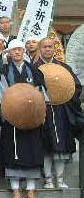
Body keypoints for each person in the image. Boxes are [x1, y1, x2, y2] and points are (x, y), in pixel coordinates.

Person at [1, 40, 45, 198]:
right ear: (9, 53)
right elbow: (1, 93)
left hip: (32, 117)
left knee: (32, 153)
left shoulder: (34, 70)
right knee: (14, 155)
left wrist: (39, 111)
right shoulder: (3, 70)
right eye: (13, 50)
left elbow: (42, 93)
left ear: (24, 51)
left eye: (19, 49)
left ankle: (31, 193)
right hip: (11, 118)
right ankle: (16, 193)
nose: (17, 53)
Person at [35, 38, 82, 189]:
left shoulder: (64, 67)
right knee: (45, 146)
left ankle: (60, 179)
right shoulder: (34, 68)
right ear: (39, 49)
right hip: (44, 111)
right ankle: (48, 179)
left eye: (50, 47)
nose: (47, 49)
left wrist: (65, 96)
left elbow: (76, 87)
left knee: (61, 145)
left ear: (54, 49)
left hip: (62, 110)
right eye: (44, 47)